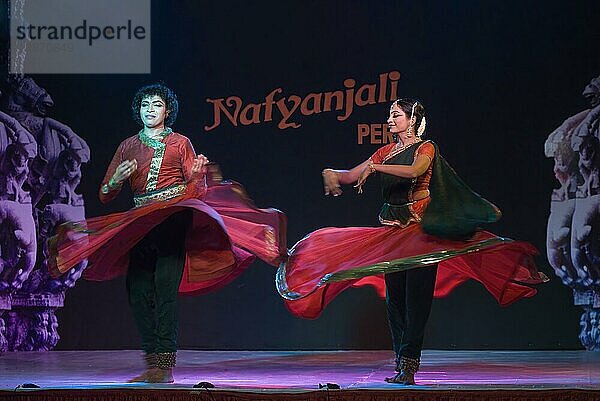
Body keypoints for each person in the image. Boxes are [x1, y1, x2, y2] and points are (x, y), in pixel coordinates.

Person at [276, 98, 548, 385]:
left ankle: (409, 364)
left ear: (412, 119)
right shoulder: (384, 151)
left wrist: (377, 169)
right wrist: (332, 173)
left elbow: (416, 171)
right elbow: (352, 175)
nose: (390, 120)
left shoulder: (425, 147)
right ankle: (401, 363)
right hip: (393, 236)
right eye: (389, 115)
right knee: (394, 301)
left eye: (395, 115)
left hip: (422, 235)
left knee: (416, 301)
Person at [49, 84, 287, 383]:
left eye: (157, 104)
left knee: (164, 291)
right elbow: (105, 193)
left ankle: (164, 366)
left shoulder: (180, 143)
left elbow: (195, 189)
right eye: (145, 104)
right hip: (139, 221)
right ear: (138, 110)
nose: (150, 109)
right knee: (137, 293)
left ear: (167, 110)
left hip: (173, 216)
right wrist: (117, 180)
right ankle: (151, 361)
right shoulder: (127, 146)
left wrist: (198, 173)